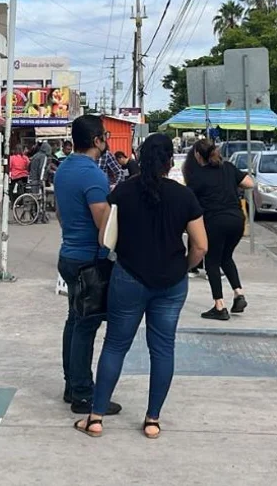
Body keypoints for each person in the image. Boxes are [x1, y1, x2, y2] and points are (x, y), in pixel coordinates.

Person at [76, 133, 207, 439]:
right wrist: (183, 267)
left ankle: (95, 418)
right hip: (171, 283)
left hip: (129, 277)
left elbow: (104, 237)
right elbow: (200, 245)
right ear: (169, 161)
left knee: (115, 345)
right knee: (162, 349)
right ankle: (152, 421)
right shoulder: (183, 196)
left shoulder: (123, 191)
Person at [55, 115, 121, 416]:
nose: (106, 140)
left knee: (74, 320)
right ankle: (83, 393)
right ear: (97, 140)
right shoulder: (93, 175)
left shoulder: (64, 168)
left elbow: (59, 213)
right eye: (105, 135)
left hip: (68, 253)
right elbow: (103, 225)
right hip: (87, 260)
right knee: (86, 325)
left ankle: (72, 385)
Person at [181, 139, 254, 320]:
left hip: (215, 221)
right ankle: (239, 294)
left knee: (212, 261)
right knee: (226, 257)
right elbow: (250, 183)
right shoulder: (228, 168)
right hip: (237, 220)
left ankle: (219, 306)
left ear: (197, 155)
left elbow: (187, 200)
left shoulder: (197, 177)